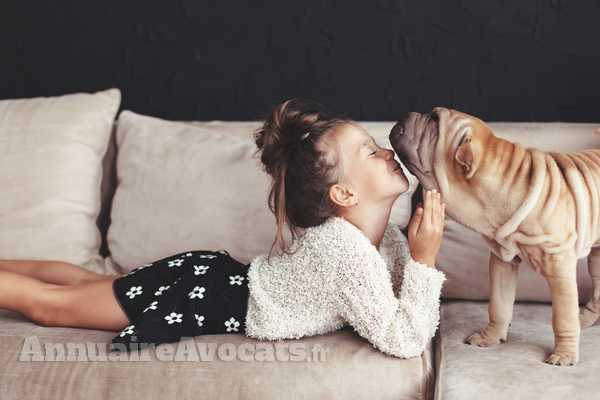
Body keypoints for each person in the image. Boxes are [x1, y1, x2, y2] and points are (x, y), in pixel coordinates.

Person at [0, 100, 445, 358]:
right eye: (371, 152)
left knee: (89, 282)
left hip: (212, 279)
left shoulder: (380, 240)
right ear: (344, 195)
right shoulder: (343, 250)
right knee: (50, 307)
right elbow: (404, 337)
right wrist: (424, 259)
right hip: (206, 293)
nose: (389, 151)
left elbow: (402, 301)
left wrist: (415, 252)